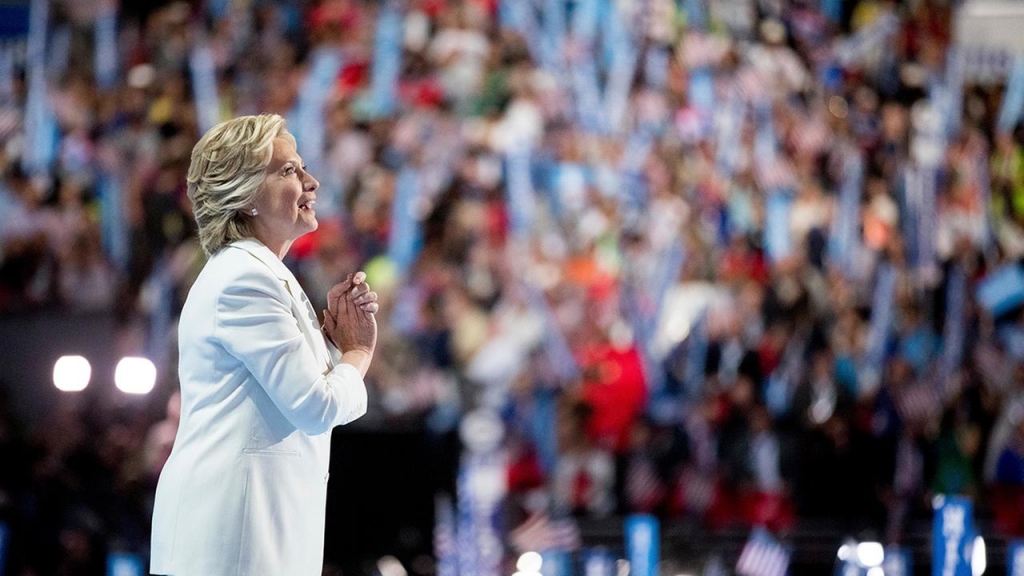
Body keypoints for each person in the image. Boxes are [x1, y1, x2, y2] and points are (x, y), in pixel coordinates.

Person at [150, 114, 379, 575]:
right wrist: (357, 354)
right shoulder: (246, 279)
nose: (312, 182)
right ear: (245, 195)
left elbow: (278, 400)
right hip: (233, 544)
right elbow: (314, 407)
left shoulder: (260, 274)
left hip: (247, 537)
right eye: (289, 171)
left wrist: (332, 349)